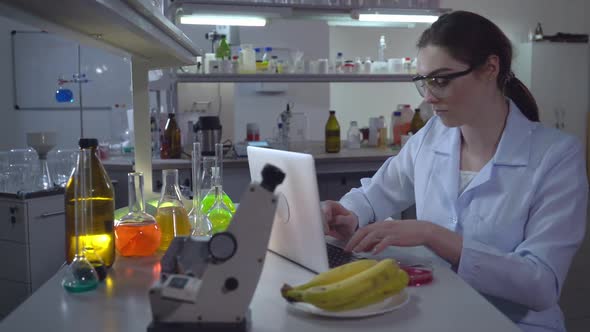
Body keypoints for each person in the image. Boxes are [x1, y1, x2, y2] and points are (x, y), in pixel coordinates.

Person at [322, 10, 587, 332]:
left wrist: (434, 236)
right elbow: (377, 193)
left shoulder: (556, 156)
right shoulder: (431, 137)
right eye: (424, 81)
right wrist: (349, 213)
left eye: (442, 80)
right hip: (436, 312)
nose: (430, 97)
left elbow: (542, 284)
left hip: (514, 324)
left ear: (490, 68)